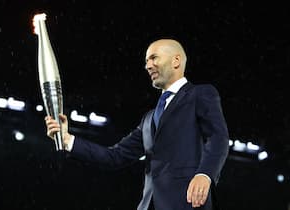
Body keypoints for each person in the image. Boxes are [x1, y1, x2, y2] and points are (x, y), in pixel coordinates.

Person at [45, 39, 229, 210]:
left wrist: (205, 174)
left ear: (176, 60)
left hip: (187, 202)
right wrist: (68, 139)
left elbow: (218, 137)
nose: (147, 65)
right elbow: (114, 157)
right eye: (146, 61)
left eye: (154, 58)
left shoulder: (200, 94)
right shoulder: (148, 119)